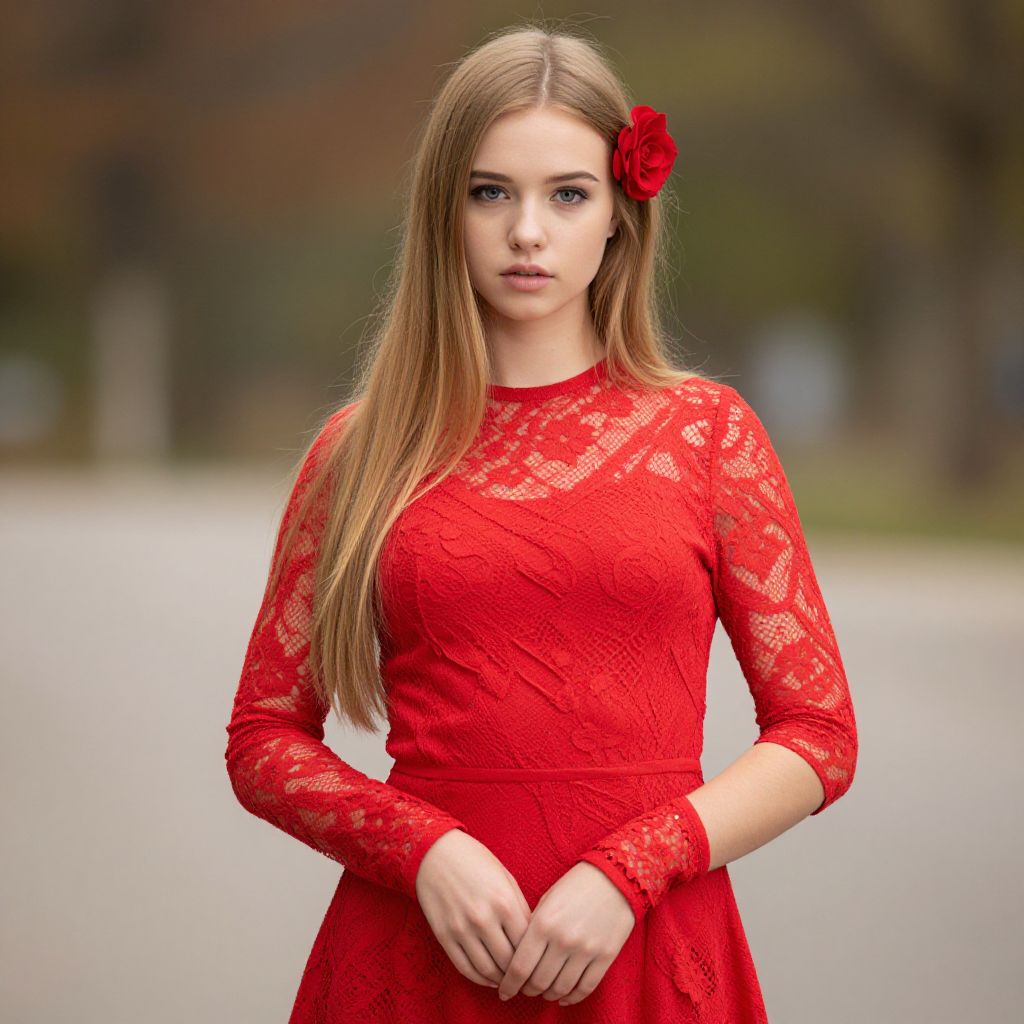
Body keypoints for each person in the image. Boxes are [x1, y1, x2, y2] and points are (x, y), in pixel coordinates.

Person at [223, 23, 858, 1023]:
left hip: (647, 947)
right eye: (491, 192)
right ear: (445, 212)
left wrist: (630, 870)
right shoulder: (361, 450)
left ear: (617, 215)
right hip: (413, 957)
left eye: (567, 193)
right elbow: (263, 739)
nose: (528, 231)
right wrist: (419, 847)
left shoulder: (706, 435)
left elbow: (818, 733)